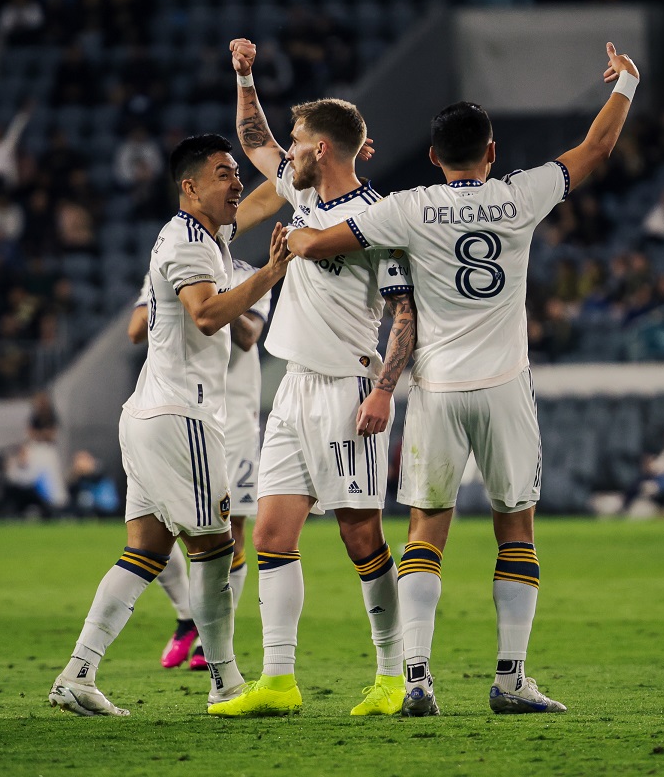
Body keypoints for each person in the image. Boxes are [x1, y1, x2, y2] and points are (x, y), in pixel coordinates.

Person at [288, 42, 640, 716]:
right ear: (491, 151)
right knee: (517, 531)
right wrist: (626, 82)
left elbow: (319, 242)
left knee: (426, 532)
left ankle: (417, 677)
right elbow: (595, 151)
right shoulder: (518, 194)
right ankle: (510, 679)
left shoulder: (410, 207)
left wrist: (299, 232)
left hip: (437, 389)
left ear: (431, 156)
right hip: (506, 385)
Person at [48, 134, 293, 717]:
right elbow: (207, 315)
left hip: (150, 415)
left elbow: (262, 203)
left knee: (145, 552)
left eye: (236, 172)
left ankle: (77, 674)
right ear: (190, 187)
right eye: (223, 174)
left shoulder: (205, 234)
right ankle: (228, 685)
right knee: (214, 547)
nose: (236, 183)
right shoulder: (188, 243)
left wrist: (303, 168)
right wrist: (269, 275)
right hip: (182, 416)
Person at [207, 39, 417, 720]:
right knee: (271, 533)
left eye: (298, 143)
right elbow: (252, 135)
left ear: (322, 148)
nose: (285, 153)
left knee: (360, 534)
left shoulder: (376, 220)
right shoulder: (300, 192)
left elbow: (404, 312)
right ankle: (279, 680)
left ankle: (395, 676)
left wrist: (385, 389)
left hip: (347, 388)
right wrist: (244, 75)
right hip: (292, 387)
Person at [128, 249, 274, 672]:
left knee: (233, 530)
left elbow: (248, 337)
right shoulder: (174, 259)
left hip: (236, 418)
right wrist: (176, 291)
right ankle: (187, 616)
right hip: (177, 411)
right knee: (156, 524)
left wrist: (213, 299)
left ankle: (211, 639)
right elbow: (136, 329)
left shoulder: (248, 272)